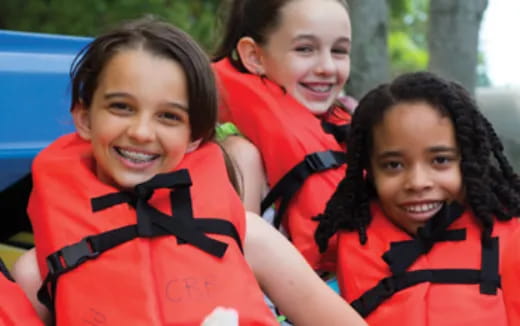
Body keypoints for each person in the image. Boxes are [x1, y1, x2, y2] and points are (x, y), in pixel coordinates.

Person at [11, 18, 366, 326]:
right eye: (121, 107)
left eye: (169, 116)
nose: (142, 132)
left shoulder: (249, 238)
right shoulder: (38, 271)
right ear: (85, 118)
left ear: (195, 135)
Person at [314, 71, 520, 325]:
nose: (417, 183)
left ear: (469, 161)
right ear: (370, 169)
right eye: (393, 165)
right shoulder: (342, 242)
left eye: (440, 160)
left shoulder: (511, 239)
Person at [212, 0, 353, 272]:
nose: (327, 67)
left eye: (339, 51)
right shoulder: (241, 154)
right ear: (254, 56)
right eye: (304, 49)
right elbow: (237, 275)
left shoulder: (344, 131)